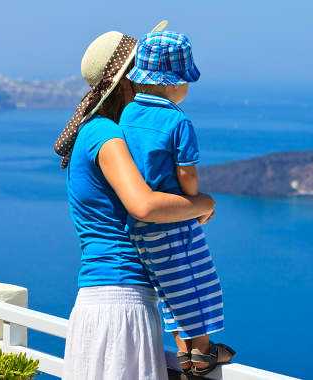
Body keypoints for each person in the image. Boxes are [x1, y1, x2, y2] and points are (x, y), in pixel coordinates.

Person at [54, 20, 216, 380]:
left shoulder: (90, 133)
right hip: (121, 301)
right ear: (129, 80)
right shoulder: (105, 134)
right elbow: (143, 206)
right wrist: (202, 204)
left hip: (100, 300)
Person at [120, 30, 234, 376]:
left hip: (140, 226)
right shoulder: (177, 120)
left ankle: (184, 352)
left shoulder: (126, 117)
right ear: (174, 83)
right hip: (173, 217)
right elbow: (187, 174)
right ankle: (201, 353)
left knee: (168, 285)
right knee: (195, 281)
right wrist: (197, 202)